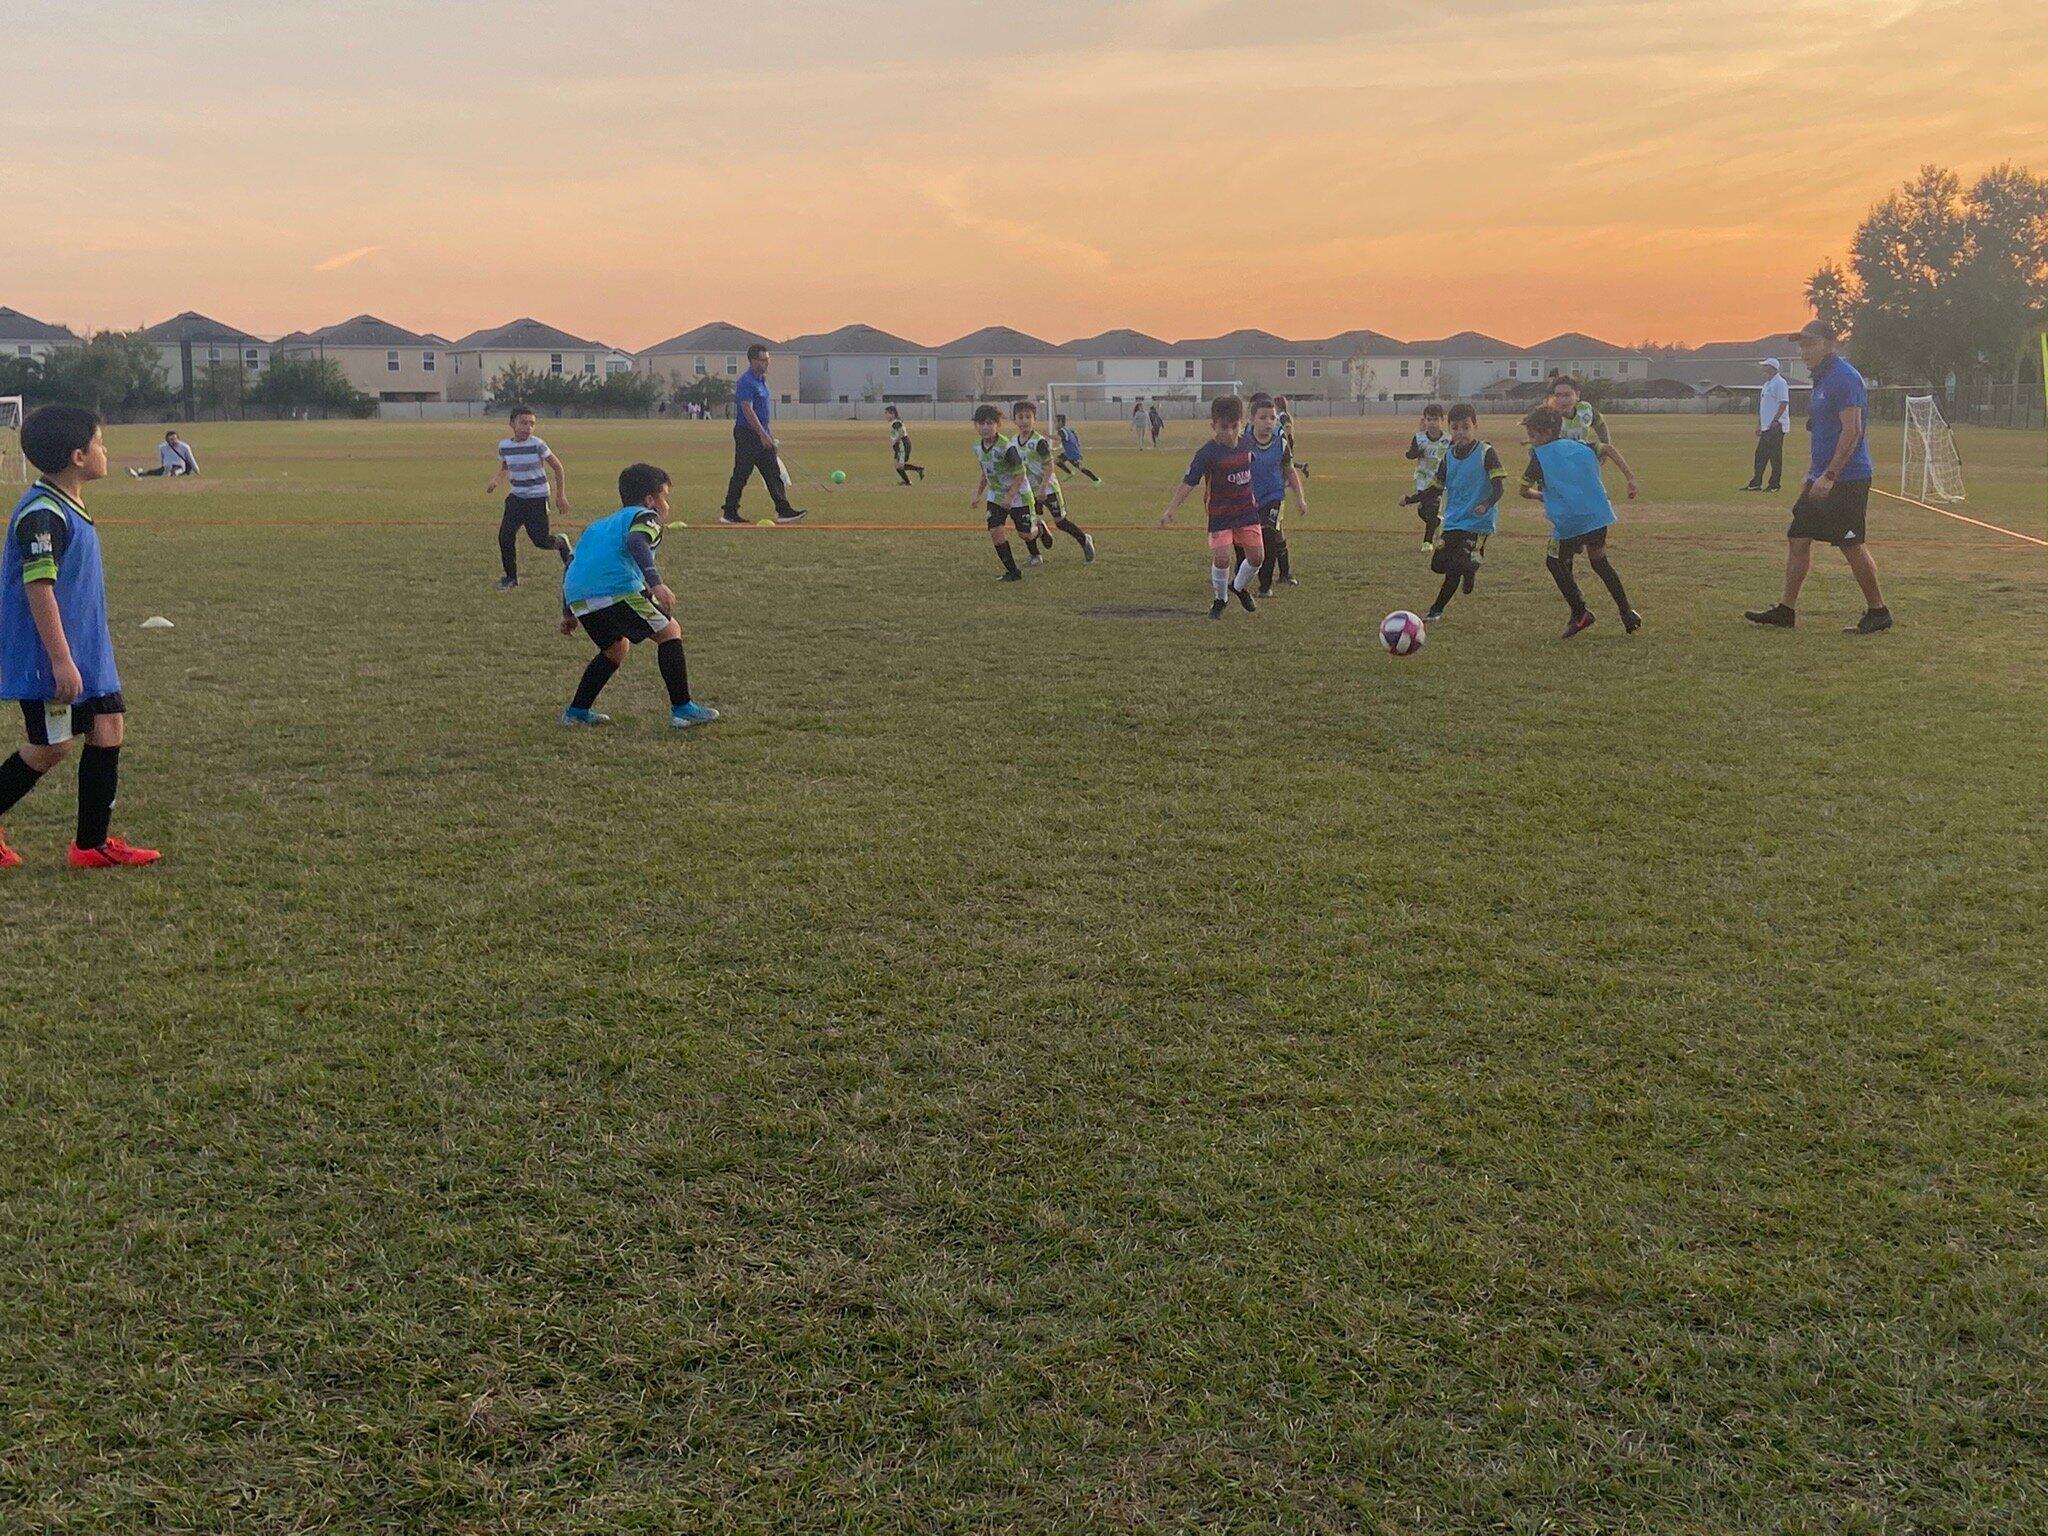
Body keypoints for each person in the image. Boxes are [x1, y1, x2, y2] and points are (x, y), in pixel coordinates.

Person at [0, 405, 160, 869]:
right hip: (53, 655)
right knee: (51, 747)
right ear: (77, 456)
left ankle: (91, 846)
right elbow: (38, 586)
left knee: (108, 727)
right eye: (100, 443)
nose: (105, 451)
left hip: (87, 650)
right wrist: (60, 659)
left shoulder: (66, 503)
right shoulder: (42, 515)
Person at [1745, 320, 1889, 634]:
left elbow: (1853, 431)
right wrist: (1812, 476)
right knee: (1798, 537)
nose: (1804, 350)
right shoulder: (1821, 379)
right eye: (1801, 344)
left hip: (1847, 478)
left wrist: (1831, 475)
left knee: (1850, 545)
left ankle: (1878, 612)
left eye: (1810, 344)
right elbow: (1825, 431)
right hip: (1820, 477)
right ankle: (1786, 610)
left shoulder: (1844, 377)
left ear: (1828, 343)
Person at [558, 462, 719, 730]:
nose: (666, 504)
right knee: (670, 631)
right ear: (650, 499)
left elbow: (572, 565)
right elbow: (636, 541)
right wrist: (655, 583)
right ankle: (683, 709)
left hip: (579, 597)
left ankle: (576, 712)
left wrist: (568, 612)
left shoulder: (597, 526)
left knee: (615, 649)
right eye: (665, 496)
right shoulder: (647, 516)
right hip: (615, 589)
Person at [1519, 404, 1641, 639]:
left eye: (1533, 435)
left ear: (1546, 433)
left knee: (1554, 562)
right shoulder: (1580, 446)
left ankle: (1580, 612)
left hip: (1569, 522)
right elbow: (1609, 449)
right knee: (1600, 563)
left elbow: (1523, 490)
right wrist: (1630, 478)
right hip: (1597, 516)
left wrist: (1541, 496)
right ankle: (1627, 612)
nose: (1530, 441)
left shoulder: (1539, 457)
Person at [1158, 395, 1261, 619]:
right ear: (1213, 425)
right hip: (1220, 513)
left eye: (1235, 427)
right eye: (1224, 427)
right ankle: (1220, 599)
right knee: (1223, 558)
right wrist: (1172, 509)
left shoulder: (1248, 443)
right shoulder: (1207, 454)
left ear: (1241, 423)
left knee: (1256, 558)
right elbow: (1189, 482)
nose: (1230, 433)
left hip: (1246, 511)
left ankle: (1239, 586)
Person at [1421, 403, 1506, 622]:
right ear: (1449, 428)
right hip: (1454, 521)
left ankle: (1436, 609)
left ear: (1475, 426)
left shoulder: (1486, 452)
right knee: (1438, 564)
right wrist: (1411, 499)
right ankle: (1469, 567)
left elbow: (1499, 488)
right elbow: (1436, 488)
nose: (1461, 433)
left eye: (1466, 427)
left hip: (1478, 522)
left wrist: (1486, 504)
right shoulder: (1448, 457)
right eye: (1456, 428)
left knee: (1456, 566)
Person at [718, 344, 806, 526]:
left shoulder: (762, 380)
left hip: (762, 433)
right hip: (747, 434)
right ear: (752, 361)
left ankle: (784, 510)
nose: (766, 363)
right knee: (741, 473)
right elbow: (747, 410)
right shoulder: (746, 382)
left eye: (767, 360)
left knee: (773, 472)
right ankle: (729, 512)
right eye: (762, 360)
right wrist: (761, 434)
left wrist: (768, 434)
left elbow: (763, 411)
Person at [485, 405, 571, 590]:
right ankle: (511, 578)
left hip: (537, 498)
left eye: (532, 423)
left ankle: (561, 543)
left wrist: (560, 495)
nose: (528, 427)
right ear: (511, 423)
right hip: (516, 497)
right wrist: (496, 480)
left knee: (540, 540)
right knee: (505, 536)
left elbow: (557, 467)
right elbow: (505, 468)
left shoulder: (537, 444)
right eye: (523, 423)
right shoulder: (504, 446)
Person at [1011, 400, 1095, 563]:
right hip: (1028, 490)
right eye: (1020, 417)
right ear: (1014, 420)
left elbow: (1050, 466)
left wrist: (1043, 488)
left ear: (1034, 419)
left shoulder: (1039, 441)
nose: (1024, 421)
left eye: (1028, 417)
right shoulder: (1013, 442)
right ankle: (1035, 555)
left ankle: (1085, 540)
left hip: (1047, 488)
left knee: (1060, 522)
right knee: (1028, 522)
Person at [1244, 393, 1307, 596]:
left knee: (1269, 535)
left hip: (1274, 496)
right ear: (1252, 419)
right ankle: (1241, 576)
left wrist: (1300, 498)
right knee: (1245, 541)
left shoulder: (1280, 441)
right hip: (1248, 498)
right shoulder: (1243, 440)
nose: (1268, 422)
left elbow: (1289, 470)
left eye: (1272, 417)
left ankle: (1265, 585)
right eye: (1263, 418)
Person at [970, 404, 1037, 581]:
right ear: (976, 425)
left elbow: (1020, 474)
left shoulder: (1007, 447)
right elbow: (985, 472)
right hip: (996, 494)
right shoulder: (977, 447)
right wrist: (978, 494)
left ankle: (1040, 530)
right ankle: (1013, 572)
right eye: (981, 423)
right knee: (995, 531)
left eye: (990, 423)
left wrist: (1010, 496)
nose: (985, 427)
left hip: (1019, 494)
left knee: (1026, 534)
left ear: (998, 425)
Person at [1400, 403, 1450, 550]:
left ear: (1442, 420)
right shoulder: (1419, 438)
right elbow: (1411, 454)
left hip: (1440, 480)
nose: (1432, 423)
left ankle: (1427, 542)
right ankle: (1438, 522)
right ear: (1425, 421)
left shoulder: (1448, 439)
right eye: (1429, 419)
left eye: (1435, 419)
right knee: (1423, 511)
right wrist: (1416, 452)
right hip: (1423, 479)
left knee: (1433, 508)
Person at [1743, 357, 1791, 492]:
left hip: (1776, 426)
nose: (1763, 368)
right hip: (1766, 427)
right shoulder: (1766, 384)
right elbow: (1763, 407)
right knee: (1760, 455)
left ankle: (1774, 484)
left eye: (1765, 366)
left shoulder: (1780, 383)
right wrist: (1760, 424)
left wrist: (1775, 420)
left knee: (1775, 456)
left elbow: (1783, 403)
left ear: (1772, 367)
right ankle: (1756, 483)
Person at [127, 429, 198, 479]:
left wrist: (197, 471)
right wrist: (161, 467)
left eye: (175, 439)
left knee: (175, 472)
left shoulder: (184, 447)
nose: (174, 441)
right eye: (171, 439)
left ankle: (169, 474)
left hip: (179, 467)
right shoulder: (162, 447)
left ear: (178, 439)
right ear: (167, 440)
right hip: (166, 467)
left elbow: (191, 460)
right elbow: (161, 460)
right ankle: (138, 474)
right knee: (151, 472)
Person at [1054, 414, 1103, 485]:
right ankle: (1069, 473)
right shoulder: (1067, 429)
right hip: (1067, 453)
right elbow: (1074, 432)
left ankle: (1096, 480)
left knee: (1081, 468)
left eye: (1055, 422)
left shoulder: (1062, 431)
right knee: (1057, 461)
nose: (1054, 424)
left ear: (1060, 422)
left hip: (1073, 454)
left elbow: (1058, 438)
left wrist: (1047, 435)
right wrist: (1077, 442)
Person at [885, 406, 926, 486]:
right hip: (900, 444)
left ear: (892, 414)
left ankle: (918, 470)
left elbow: (901, 433)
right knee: (897, 465)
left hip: (902, 445)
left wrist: (894, 441)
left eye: (887, 413)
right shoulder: (895, 422)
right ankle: (908, 481)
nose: (885, 415)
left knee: (899, 465)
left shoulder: (896, 422)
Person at [1273, 394, 1310, 477]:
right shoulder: (1281, 415)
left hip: (1284, 442)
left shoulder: (1282, 416)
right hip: (1282, 442)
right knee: (1283, 462)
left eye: (1274, 405)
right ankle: (1302, 466)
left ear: (1277, 405)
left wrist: (1287, 441)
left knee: (1283, 463)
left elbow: (1287, 427)